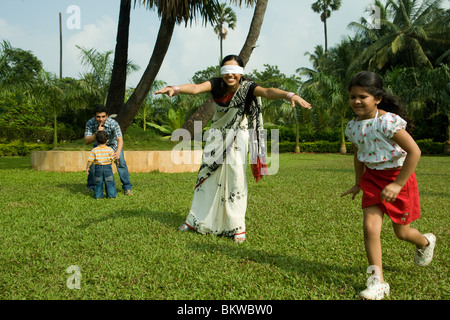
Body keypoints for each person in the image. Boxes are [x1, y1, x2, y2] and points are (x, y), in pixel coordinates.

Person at [154, 54, 311, 243]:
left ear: (241, 73)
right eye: (226, 71)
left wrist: (289, 95)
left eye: (234, 71)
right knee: (206, 177)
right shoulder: (216, 84)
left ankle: (236, 227)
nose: (230, 75)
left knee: (236, 177)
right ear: (222, 73)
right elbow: (195, 88)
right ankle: (195, 220)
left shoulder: (248, 87)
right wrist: (175, 89)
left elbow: (268, 92)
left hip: (238, 135)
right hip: (216, 135)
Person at [341, 71, 436, 300]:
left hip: (398, 178)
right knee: (370, 228)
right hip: (372, 179)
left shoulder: (388, 122)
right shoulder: (352, 127)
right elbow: (358, 155)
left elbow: (414, 151)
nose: (356, 101)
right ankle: (377, 281)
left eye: (362, 96)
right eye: (353, 96)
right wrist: (357, 182)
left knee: (401, 232)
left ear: (378, 98)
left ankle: (425, 241)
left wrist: (398, 184)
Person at [84, 104, 133, 195]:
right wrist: (97, 133)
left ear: (107, 115)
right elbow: (86, 141)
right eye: (98, 117)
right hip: (99, 147)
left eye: (103, 116)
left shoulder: (113, 123)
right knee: (93, 165)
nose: (101, 119)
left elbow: (120, 139)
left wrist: (118, 152)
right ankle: (91, 186)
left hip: (113, 146)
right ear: (94, 116)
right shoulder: (90, 123)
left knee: (121, 163)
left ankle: (127, 187)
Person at [86, 130, 117, 199]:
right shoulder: (110, 150)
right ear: (107, 140)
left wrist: (88, 167)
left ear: (96, 140)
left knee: (98, 182)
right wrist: (116, 162)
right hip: (108, 168)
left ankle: (98, 196)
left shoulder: (94, 150)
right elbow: (114, 159)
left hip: (98, 168)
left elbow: (90, 160)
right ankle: (111, 195)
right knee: (110, 182)